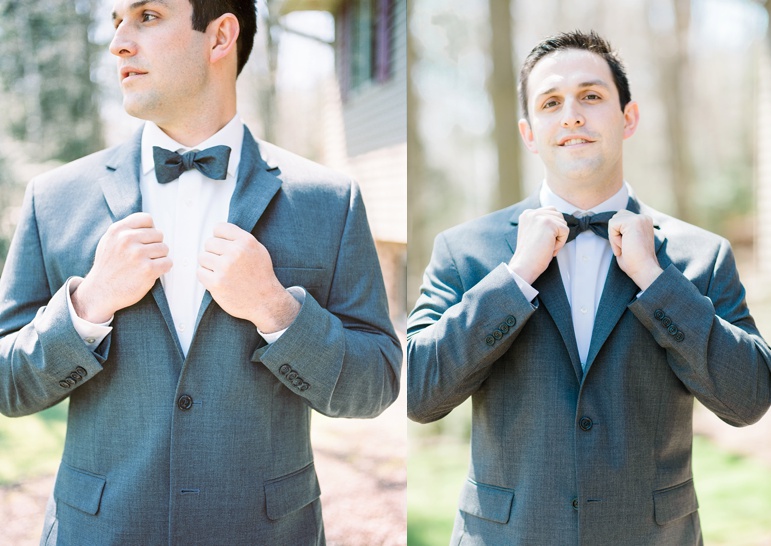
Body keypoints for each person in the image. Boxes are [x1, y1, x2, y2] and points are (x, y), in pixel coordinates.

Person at [0, 1, 401, 544]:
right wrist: (88, 307)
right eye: (116, 20)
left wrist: (276, 310)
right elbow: (7, 384)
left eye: (146, 16)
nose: (118, 42)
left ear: (219, 37)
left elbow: (374, 383)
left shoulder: (329, 202)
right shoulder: (55, 199)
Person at [407, 30, 771, 545]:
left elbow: (749, 397)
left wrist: (656, 279)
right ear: (530, 132)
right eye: (551, 103)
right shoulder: (464, 250)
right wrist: (514, 279)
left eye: (592, 96)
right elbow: (419, 392)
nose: (572, 115)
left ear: (629, 118)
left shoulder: (700, 255)